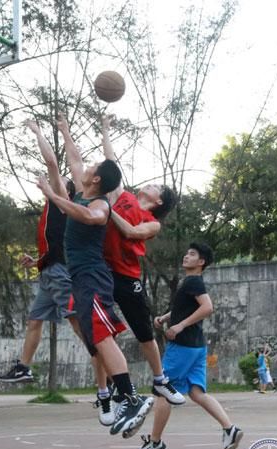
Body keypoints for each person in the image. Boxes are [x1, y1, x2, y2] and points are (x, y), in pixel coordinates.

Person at [35, 113, 154, 438]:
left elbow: (91, 218)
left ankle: (131, 396)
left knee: (101, 336)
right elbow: (72, 158)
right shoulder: (84, 191)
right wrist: (63, 130)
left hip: (92, 277)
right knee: (95, 339)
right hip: (80, 281)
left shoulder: (99, 204)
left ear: (98, 179)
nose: (85, 167)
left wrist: (53, 195)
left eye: (92, 168)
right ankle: (118, 394)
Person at [99, 114, 184, 409]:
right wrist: (105, 130)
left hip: (126, 279)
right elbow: (111, 163)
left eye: (157, 185)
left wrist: (109, 211)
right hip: (102, 273)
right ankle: (108, 391)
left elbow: (132, 231)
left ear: (158, 200)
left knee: (144, 331)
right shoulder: (121, 196)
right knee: (99, 331)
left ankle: (160, 379)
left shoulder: (151, 221)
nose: (150, 184)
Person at [135, 243, 243, 449]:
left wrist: (180, 325)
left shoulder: (193, 281)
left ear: (201, 262)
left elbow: (207, 307)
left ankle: (155, 442)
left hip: (183, 346)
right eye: (187, 252)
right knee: (197, 393)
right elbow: (186, 307)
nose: (186, 256)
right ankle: (230, 429)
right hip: (197, 347)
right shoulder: (191, 282)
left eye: (192, 254)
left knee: (162, 391)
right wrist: (167, 317)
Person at [0, 122, 82, 385]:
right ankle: (24, 367)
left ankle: (110, 369)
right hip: (49, 270)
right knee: (35, 320)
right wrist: (37, 260)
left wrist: (38, 133)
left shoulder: (63, 200)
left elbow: (53, 164)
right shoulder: (53, 208)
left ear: (65, 189)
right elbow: (57, 243)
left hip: (59, 274)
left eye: (63, 182)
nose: (59, 180)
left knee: (80, 325)